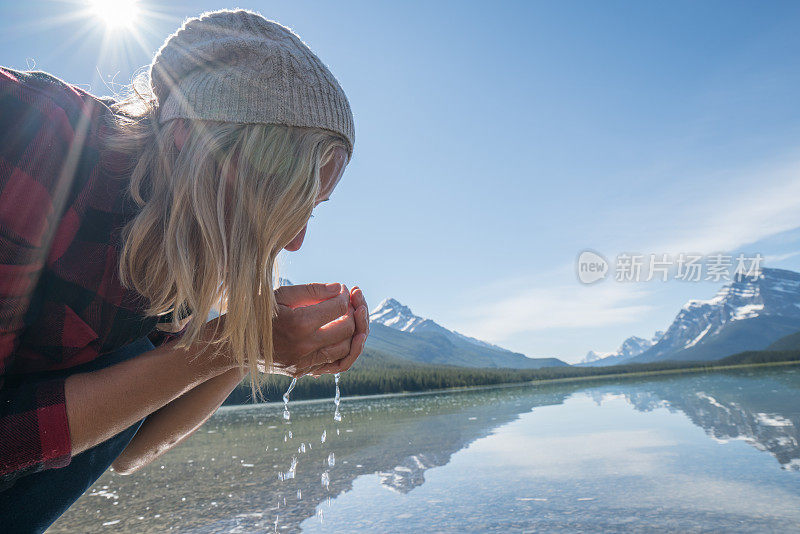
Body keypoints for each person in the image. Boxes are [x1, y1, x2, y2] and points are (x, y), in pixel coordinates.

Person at [0, 9, 368, 531]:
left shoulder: (178, 251)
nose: (295, 239)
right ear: (195, 142)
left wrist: (246, 342)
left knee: (135, 360)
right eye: (281, 200)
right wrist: (229, 346)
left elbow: (126, 447)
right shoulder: (25, 128)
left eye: (310, 209)